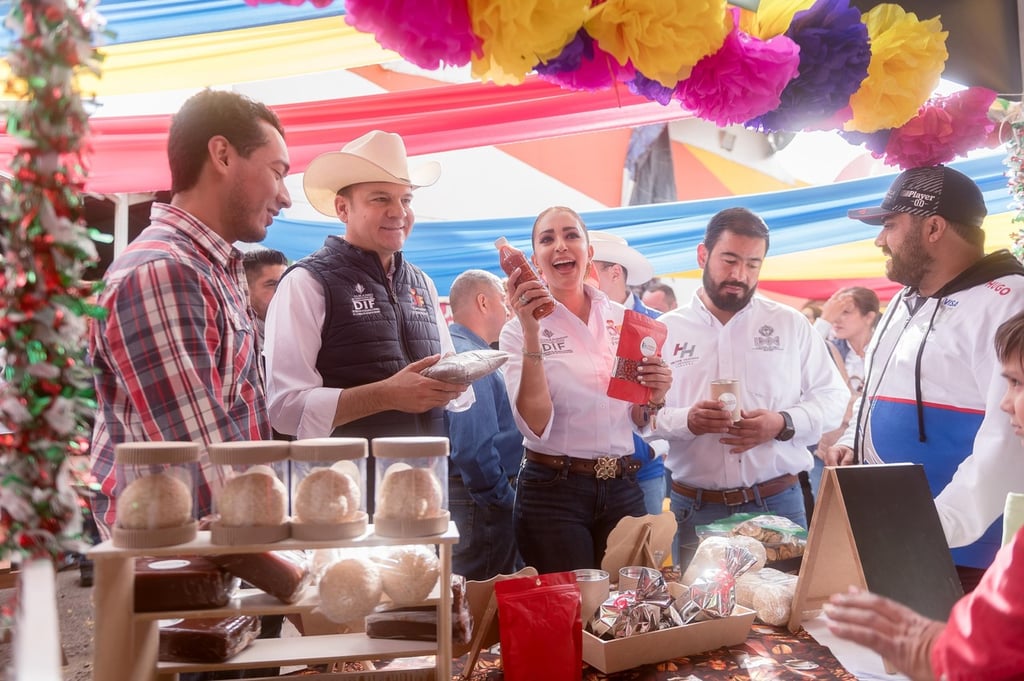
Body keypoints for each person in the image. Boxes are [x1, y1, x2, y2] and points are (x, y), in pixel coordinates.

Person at [89, 89, 292, 536]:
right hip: (173, 565)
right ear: (221, 155)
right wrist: (297, 576)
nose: (285, 197)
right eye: (277, 173)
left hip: (209, 550)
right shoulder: (164, 270)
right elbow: (202, 455)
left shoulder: (209, 266)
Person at [826, 165, 1024, 586]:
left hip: (968, 553)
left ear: (933, 227)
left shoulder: (1009, 302)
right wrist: (851, 443)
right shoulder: (905, 298)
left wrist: (938, 525)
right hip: (899, 531)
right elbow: (875, 385)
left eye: (891, 225)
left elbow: (1009, 439)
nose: (880, 239)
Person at [264, 130, 472, 512]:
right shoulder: (306, 282)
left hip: (422, 496)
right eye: (381, 199)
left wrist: (459, 377)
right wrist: (387, 394)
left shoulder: (422, 283)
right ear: (343, 208)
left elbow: (452, 391)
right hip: (341, 504)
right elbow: (285, 409)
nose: (399, 212)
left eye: (405, 199)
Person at [824, 310, 1024, 681]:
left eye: (1016, 383)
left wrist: (931, 648)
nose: (1004, 403)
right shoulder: (905, 303)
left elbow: (993, 652)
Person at [655, 207, 849, 567]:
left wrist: (782, 423)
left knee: (783, 616)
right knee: (704, 622)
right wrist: (687, 421)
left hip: (777, 504)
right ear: (703, 254)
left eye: (752, 264)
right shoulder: (665, 331)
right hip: (695, 509)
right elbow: (641, 419)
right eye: (729, 260)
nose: (739, 274)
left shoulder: (789, 324)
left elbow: (835, 398)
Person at [499, 206, 672, 573]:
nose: (561, 246)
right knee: (571, 616)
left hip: (624, 484)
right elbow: (534, 424)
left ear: (589, 252)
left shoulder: (623, 320)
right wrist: (531, 329)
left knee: (628, 615)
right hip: (553, 493)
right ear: (534, 260)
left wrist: (655, 395)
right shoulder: (516, 330)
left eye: (571, 235)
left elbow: (638, 415)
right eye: (548, 239)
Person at [445, 269, 524, 580]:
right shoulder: (470, 358)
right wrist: (502, 498)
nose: (507, 310)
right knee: (483, 601)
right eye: (503, 302)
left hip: (473, 497)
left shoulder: (459, 349)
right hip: (479, 501)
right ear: (483, 302)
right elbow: (472, 448)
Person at [589, 230, 668, 516]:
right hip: (583, 474)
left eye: (588, 269)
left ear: (614, 273)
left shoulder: (659, 324)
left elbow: (679, 393)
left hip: (644, 471)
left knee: (642, 556)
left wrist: (655, 447)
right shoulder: (577, 324)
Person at [242, 247, 288, 344]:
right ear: (245, 289)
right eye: (272, 284)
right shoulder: (240, 337)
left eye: (285, 284)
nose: (282, 291)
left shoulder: (292, 330)